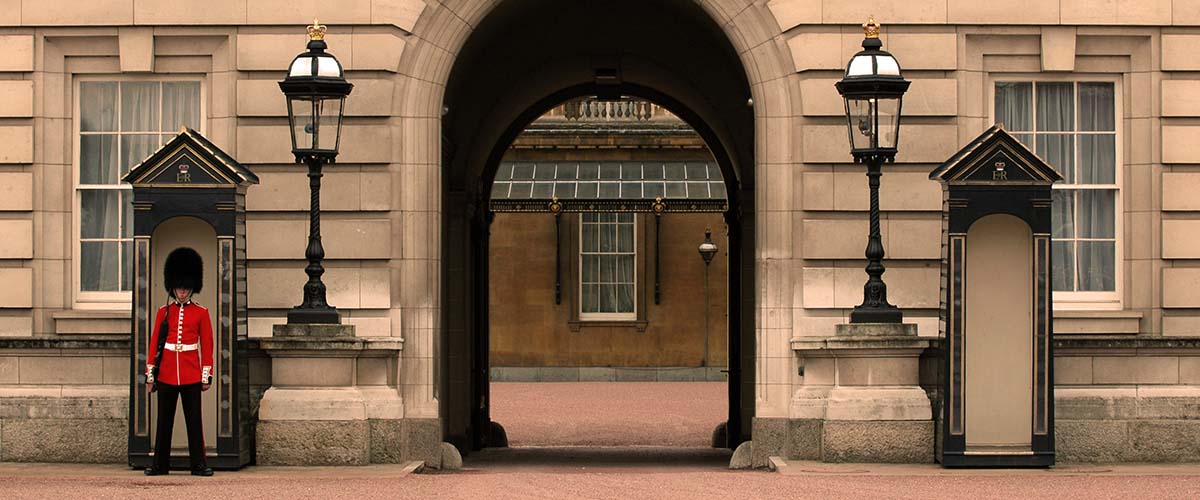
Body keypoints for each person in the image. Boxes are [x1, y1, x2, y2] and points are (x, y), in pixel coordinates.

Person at [145, 247, 214, 477]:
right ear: (172, 287)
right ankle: (160, 465)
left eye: (185, 287)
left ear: (192, 287)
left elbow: (208, 345)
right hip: (166, 373)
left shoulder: (201, 313)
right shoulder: (163, 312)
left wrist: (206, 375)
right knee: (164, 421)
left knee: (194, 421)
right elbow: (154, 344)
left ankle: (198, 464)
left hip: (191, 374)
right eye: (179, 287)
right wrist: (151, 375)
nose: (182, 292)